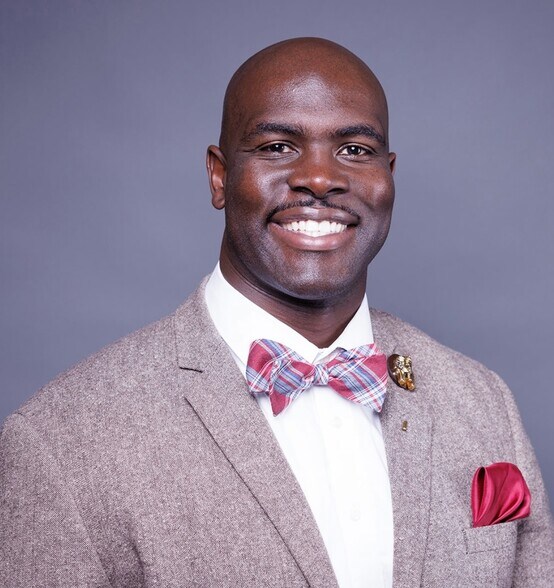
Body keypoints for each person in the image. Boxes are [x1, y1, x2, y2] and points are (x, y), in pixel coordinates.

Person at [0, 37, 552, 588]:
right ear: (219, 176)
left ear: (389, 176)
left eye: (354, 149)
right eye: (279, 146)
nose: (320, 178)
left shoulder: (483, 403)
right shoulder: (60, 444)